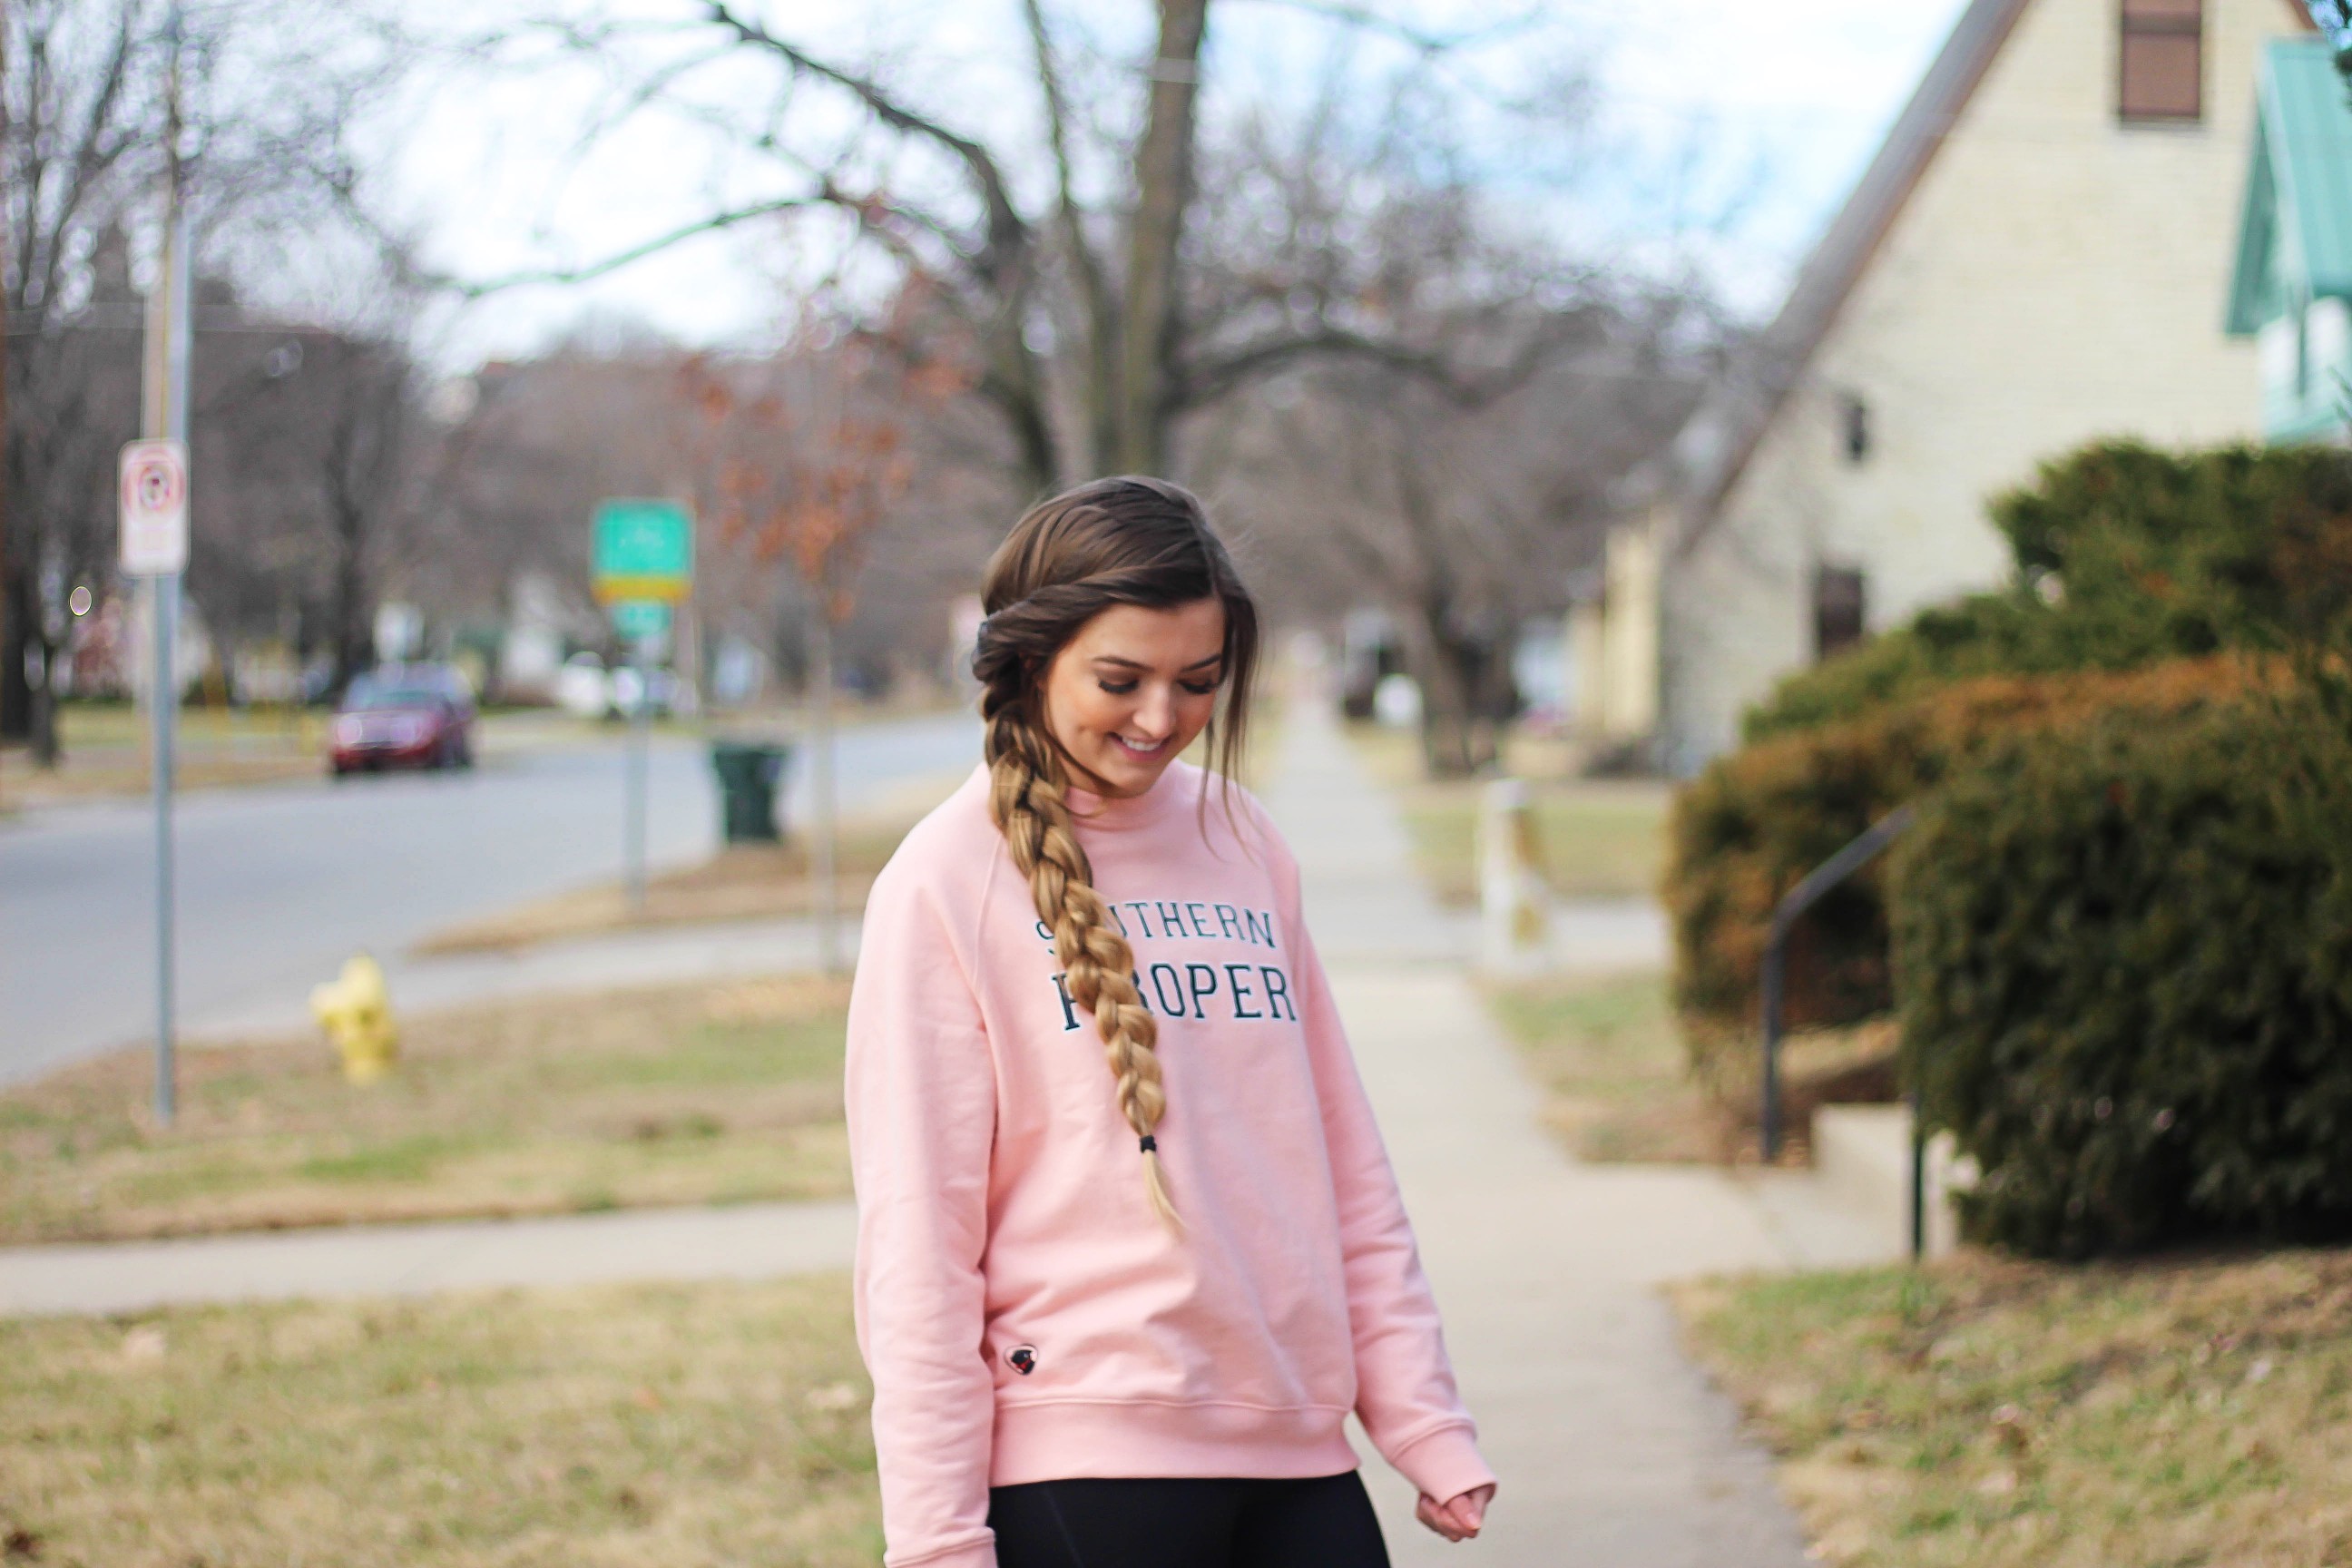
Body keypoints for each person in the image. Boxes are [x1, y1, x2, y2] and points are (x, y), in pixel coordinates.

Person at [847, 476, 1496, 1568]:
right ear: (1029, 660)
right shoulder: (945, 880)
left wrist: (1419, 1413)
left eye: (1198, 682)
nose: (1160, 719)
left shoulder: (1245, 841)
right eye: (1121, 679)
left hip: (1295, 1447)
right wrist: (935, 1542)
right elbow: (918, 1242)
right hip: (1083, 1467)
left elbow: (1339, 1157)